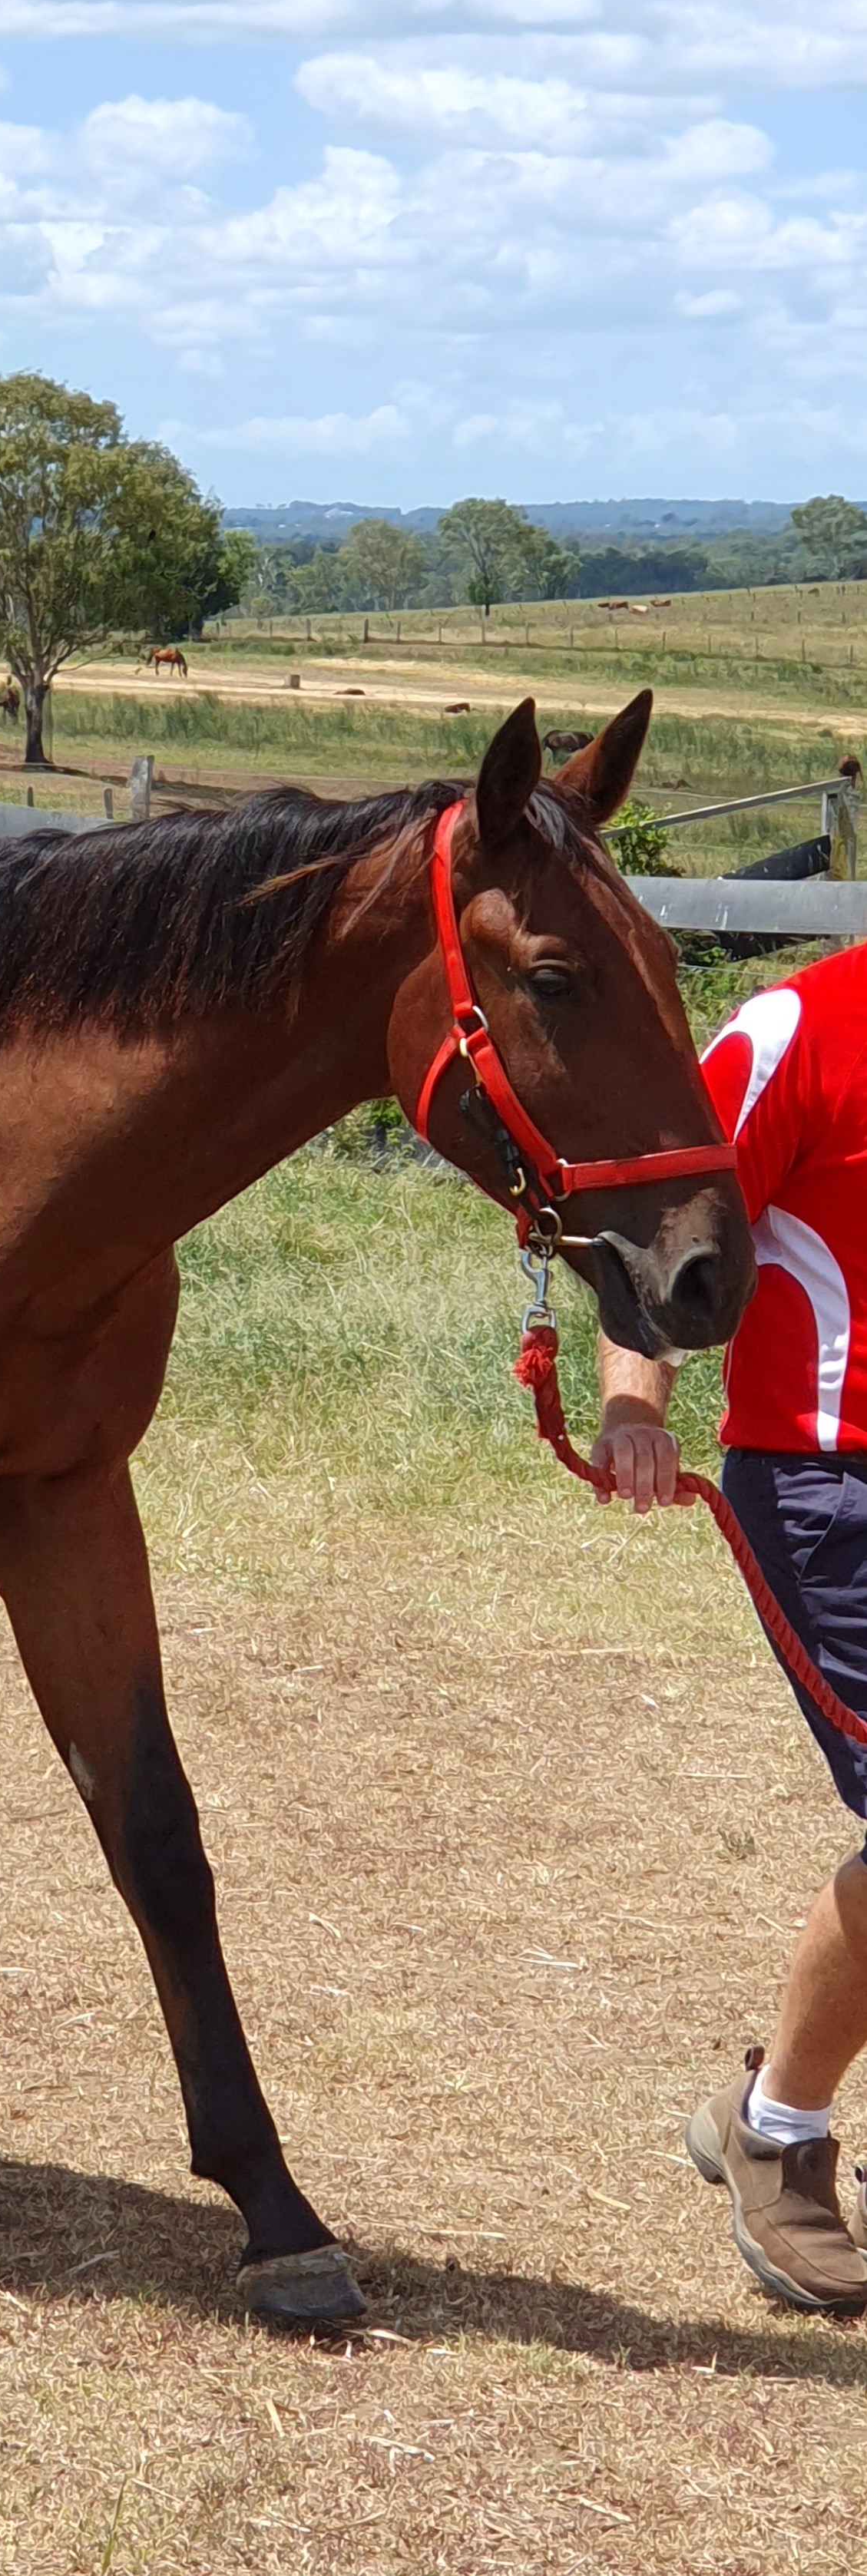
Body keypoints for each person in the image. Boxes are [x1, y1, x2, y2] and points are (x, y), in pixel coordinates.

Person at [594, 943, 867, 2311]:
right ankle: (778, 2131)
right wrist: (632, 1403)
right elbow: (661, 1216)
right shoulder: (799, 1028)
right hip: (829, 1486)